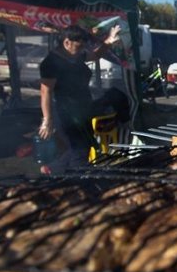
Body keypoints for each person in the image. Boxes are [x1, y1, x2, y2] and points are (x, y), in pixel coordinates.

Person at [37, 24, 121, 174]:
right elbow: (45, 91)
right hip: (65, 111)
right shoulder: (51, 63)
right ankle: (77, 181)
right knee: (80, 149)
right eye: (79, 45)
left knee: (82, 145)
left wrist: (109, 41)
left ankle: (51, 169)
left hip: (82, 108)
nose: (83, 48)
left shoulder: (74, 56)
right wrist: (47, 119)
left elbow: (95, 55)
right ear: (66, 42)